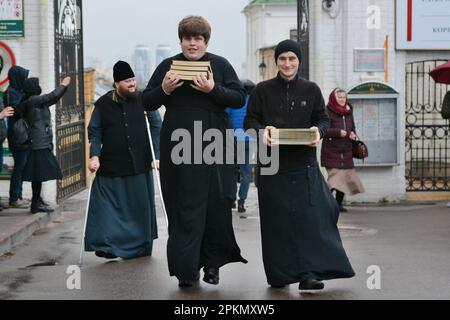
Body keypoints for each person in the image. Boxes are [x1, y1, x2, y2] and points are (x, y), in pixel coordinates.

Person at [143, 15, 247, 287]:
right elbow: (147, 102)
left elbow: (238, 98)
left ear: (206, 41)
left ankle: (212, 265)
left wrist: (213, 89)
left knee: (216, 203)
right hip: (178, 146)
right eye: (187, 38)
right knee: (183, 206)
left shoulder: (220, 65)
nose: (192, 43)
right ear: (181, 41)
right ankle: (186, 269)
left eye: (197, 38)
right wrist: (164, 89)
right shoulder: (168, 66)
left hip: (215, 144)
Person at [244, 40, 355, 291]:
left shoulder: (311, 90)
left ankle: (308, 273)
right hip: (272, 166)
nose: (287, 63)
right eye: (282, 59)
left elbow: (323, 119)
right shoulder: (262, 90)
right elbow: (249, 122)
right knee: (276, 223)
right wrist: (262, 131)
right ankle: (280, 275)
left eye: (292, 59)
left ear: (299, 61)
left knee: (311, 219)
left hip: (303, 165)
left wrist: (318, 130)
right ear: (276, 62)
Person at [85, 61, 161, 260]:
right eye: (127, 81)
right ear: (116, 84)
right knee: (106, 208)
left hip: (139, 164)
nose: (132, 84)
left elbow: (156, 126)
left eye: (133, 79)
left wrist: (157, 156)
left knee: (138, 209)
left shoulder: (144, 100)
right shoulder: (102, 104)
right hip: (110, 165)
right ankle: (107, 246)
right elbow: (94, 131)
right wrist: (94, 155)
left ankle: (138, 247)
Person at [18, 76, 71, 214]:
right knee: (38, 174)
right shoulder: (33, 100)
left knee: (39, 174)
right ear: (33, 87)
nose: (40, 84)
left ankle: (37, 202)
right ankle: (35, 204)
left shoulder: (35, 101)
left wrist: (63, 89)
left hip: (41, 142)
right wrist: (63, 85)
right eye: (38, 83)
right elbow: (51, 96)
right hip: (38, 143)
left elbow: (53, 99)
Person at [321, 88, 365, 212]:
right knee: (335, 179)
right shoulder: (327, 111)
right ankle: (324, 202)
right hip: (331, 151)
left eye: (344, 97)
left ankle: (338, 204)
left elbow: (352, 127)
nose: (342, 100)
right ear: (334, 99)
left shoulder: (349, 111)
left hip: (346, 150)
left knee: (345, 179)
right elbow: (324, 130)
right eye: (339, 97)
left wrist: (353, 135)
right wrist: (338, 132)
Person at [226, 80, 256, 215]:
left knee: (231, 171)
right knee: (247, 174)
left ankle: (231, 199)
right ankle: (241, 202)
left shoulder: (233, 101)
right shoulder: (254, 103)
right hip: (249, 139)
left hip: (233, 139)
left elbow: (225, 117)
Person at [3, 66, 30, 209]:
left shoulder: (17, 91)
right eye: (23, 77)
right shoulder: (11, 93)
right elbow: (18, 109)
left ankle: (18, 195)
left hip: (20, 133)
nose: (25, 80)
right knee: (19, 167)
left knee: (22, 166)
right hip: (17, 134)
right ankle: (14, 198)